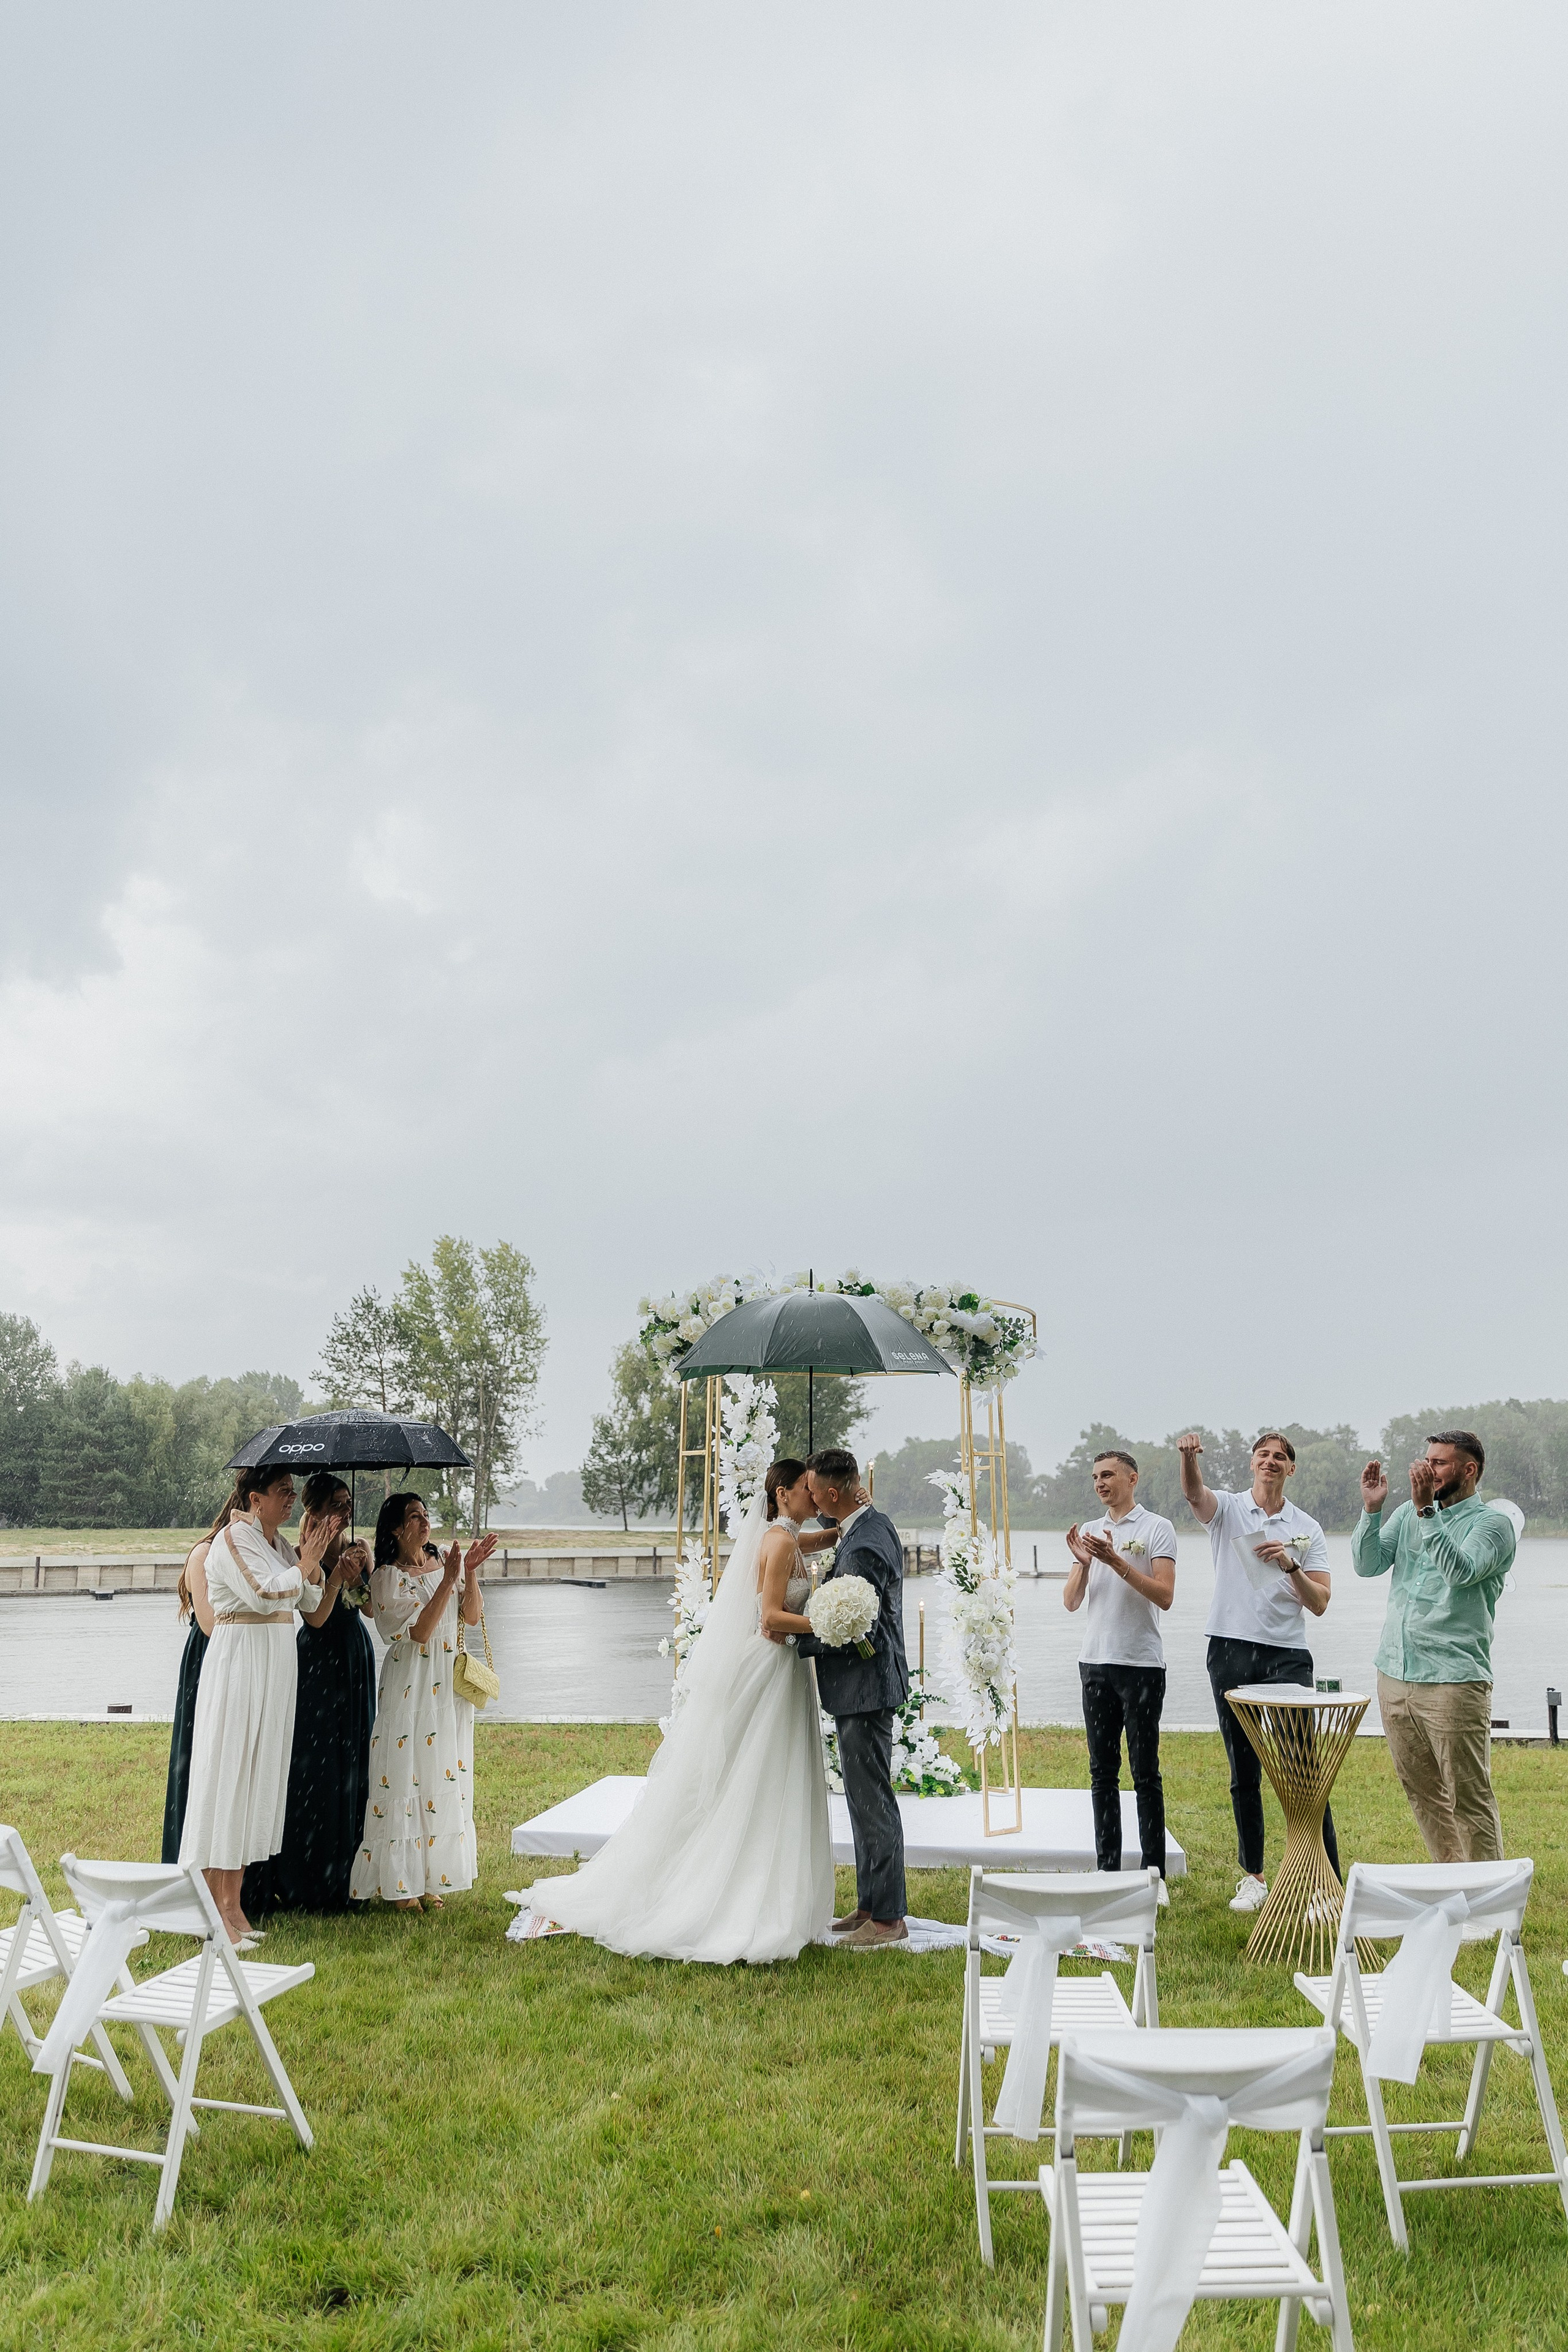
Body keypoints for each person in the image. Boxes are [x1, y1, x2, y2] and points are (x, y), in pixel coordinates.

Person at [524, 1460, 835, 1962]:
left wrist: (847, 1522)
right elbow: (771, 1615)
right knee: (757, 1770)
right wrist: (824, 1620)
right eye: (806, 1489)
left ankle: (772, 1885)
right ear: (783, 1494)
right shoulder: (779, 1543)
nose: (814, 1497)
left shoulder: (787, 1538)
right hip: (772, 1666)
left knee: (775, 1770)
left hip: (785, 1669)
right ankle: (733, 1890)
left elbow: (816, 1541)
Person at [1180, 1429, 1339, 1913]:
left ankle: (1323, 1885)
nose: (1270, 1461)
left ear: (1291, 1468)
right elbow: (1194, 1495)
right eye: (1263, 1455)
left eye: (1280, 1457)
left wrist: (1291, 1566)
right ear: (1252, 1464)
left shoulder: (1306, 1527)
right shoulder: (1228, 1509)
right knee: (1243, 1769)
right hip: (1230, 1648)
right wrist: (1188, 1458)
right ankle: (1254, 1877)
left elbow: (1320, 1604)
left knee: (1303, 1772)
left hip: (1287, 1653)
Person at [178, 1468, 339, 1944]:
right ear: (255, 1498)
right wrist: (305, 1563)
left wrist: (311, 1561)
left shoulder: (279, 1545)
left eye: (293, 1491)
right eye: (283, 1491)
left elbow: (308, 1598)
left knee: (255, 1780)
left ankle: (233, 1904)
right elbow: (266, 1594)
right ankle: (210, 1910)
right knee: (228, 1777)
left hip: (274, 1666)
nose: (292, 1498)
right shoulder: (234, 1539)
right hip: (240, 1663)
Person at [1353, 1431, 1515, 1863]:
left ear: (1469, 1470)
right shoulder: (1407, 1513)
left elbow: (1460, 1572)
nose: (1428, 1469)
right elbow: (1367, 1565)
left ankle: (1488, 1895)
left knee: (1468, 1797)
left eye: (1440, 1463)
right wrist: (1371, 1510)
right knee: (1423, 1793)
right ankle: (1453, 1883)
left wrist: (1427, 1511)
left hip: (1453, 1681)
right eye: (1427, 1461)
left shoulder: (1492, 1525)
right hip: (1395, 1675)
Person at [350, 1494, 497, 1911]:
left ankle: (432, 1876)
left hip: (447, 1687)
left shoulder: (443, 1562)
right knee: (407, 1773)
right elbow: (420, 1632)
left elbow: (471, 1617)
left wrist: (469, 1572)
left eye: (426, 1514)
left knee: (439, 1775)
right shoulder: (386, 1579)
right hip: (411, 1688)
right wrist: (449, 1580)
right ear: (398, 1529)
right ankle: (402, 1883)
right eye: (415, 1516)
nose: (425, 1522)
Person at [794, 1446, 911, 1948]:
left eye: (813, 1490)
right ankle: (869, 1904)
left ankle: (888, 1919)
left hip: (867, 1686)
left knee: (873, 1802)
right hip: (865, 1686)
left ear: (831, 1493)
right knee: (863, 1801)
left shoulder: (864, 1545)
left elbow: (860, 1627)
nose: (810, 1497)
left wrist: (798, 1637)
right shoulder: (869, 1523)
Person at [245, 1472, 376, 1915]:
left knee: (355, 1756)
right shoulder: (304, 1553)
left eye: (349, 1502)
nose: (346, 1510)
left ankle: (354, 1871)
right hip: (320, 1659)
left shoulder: (356, 1548)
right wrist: (335, 1575)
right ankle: (311, 1875)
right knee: (319, 1764)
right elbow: (316, 1617)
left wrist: (363, 1570)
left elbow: (369, 1609)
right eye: (337, 1504)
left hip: (355, 1654)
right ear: (314, 1510)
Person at [1064, 1448, 1176, 1875]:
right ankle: (1107, 1870)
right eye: (1095, 1477)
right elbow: (1071, 1602)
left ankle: (1153, 1874)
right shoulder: (1090, 1531)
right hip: (1095, 1663)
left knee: (1145, 1774)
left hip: (1141, 1664)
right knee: (1102, 1773)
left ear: (1132, 1479)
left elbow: (1165, 1596)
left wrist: (1116, 1561)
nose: (1100, 1483)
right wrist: (1084, 1564)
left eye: (1108, 1475)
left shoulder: (1157, 1528)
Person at [160, 1501, 228, 1862]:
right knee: (197, 1751)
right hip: (208, 1656)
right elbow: (209, 1623)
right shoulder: (204, 1554)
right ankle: (187, 1857)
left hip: (237, 1652)